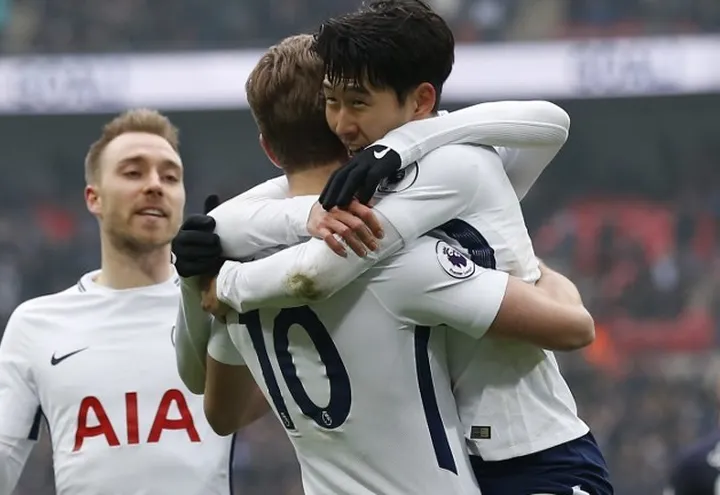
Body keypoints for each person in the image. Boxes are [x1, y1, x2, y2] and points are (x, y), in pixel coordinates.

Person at [194, 1, 613, 493]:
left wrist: (224, 282)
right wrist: (212, 231)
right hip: (465, 461)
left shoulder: (450, 167)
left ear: (418, 102)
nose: (341, 124)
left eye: (358, 103)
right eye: (331, 102)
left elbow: (319, 271)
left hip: (536, 453)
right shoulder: (388, 176)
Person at [0, 109, 234, 495]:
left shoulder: (218, 302)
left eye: (170, 177)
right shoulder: (36, 324)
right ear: (94, 198)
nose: (154, 185)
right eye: (133, 172)